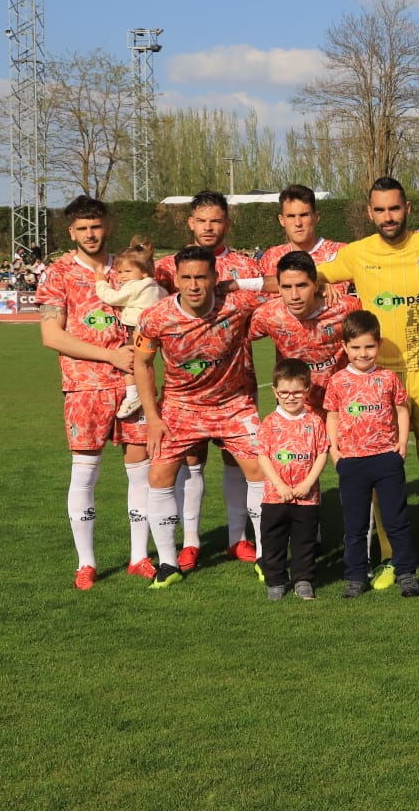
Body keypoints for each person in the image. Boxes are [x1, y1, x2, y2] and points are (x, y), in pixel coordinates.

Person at [317, 177, 419, 585]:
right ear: (369, 213)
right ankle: (389, 552)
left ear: (408, 208)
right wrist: (325, 285)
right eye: (379, 210)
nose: (387, 217)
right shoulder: (356, 254)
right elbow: (309, 276)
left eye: (394, 209)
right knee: (378, 465)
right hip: (374, 376)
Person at [37, 196, 156, 589]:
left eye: (97, 226)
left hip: (134, 387)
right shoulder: (59, 274)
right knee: (85, 475)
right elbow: (51, 335)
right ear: (72, 232)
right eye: (82, 228)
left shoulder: (128, 269)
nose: (91, 234)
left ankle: (139, 557)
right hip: (84, 388)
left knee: (140, 473)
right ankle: (86, 563)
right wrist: (109, 355)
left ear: (108, 227)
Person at [134, 246, 269, 588]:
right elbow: (142, 364)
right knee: (160, 474)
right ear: (176, 278)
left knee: (259, 469)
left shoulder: (237, 305)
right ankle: (167, 563)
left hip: (232, 403)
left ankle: (268, 556)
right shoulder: (156, 317)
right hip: (181, 406)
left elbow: (284, 286)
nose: (194, 285)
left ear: (214, 278)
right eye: (187, 278)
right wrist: (152, 417)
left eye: (202, 277)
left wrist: (241, 285)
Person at [153, 190, 266, 568]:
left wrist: (238, 288)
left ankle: (238, 538)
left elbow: (272, 297)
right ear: (190, 223)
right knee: (189, 460)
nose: (208, 227)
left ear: (226, 224)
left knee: (239, 461)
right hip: (185, 389)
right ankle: (189, 541)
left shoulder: (244, 266)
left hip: (236, 381)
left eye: (215, 220)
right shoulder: (168, 267)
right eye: (201, 221)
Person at [324, 310, 419, 598]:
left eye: (368, 346)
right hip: (351, 461)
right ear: (344, 347)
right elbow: (332, 415)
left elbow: (402, 409)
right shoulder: (338, 381)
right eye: (355, 347)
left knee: (396, 520)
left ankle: (406, 573)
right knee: (355, 525)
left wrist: (402, 444)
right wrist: (334, 449)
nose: (362, 353)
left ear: (378, 345)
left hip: (385, 459)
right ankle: (356, 576)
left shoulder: (389, 378)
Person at [249, 251, 358, 414]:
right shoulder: (267, 315)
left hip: (343, 406)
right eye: (286, 287)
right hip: (297, 410)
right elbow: (238, 338)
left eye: (302, 286)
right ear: (278, 287)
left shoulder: (345, 308)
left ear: (316, 284)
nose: (294, 296)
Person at [255, 359, 328, 601]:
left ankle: (303, 579)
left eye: (297, 392)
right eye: (284, 392)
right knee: (273, 541)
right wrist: (280, 485)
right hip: (275, 497)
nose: (290, 397)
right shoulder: (269, 423)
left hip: (307, 499)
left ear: (306, 391)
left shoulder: (315, 421)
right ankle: (275, 580)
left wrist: (308, 484)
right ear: (275, 392)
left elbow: (322, 454)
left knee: (304, 542)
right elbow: (263, 456)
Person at [93, 236, 166, 421]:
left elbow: (112, 298)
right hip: (153, 328)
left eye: (127, 271)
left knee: (129, 362)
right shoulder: (156, 287)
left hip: (136, 328)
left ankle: (134, 396)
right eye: (119, 272)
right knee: (145, 362)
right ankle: (146, 387)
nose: (122, 276)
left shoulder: (135, 286)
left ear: (143, 272)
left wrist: (101, 281)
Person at [258, 184, 346, 276]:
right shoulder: (272, 257)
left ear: (316, 217)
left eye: (304, 215)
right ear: (281, 220)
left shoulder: (339, 253)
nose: (298, 223)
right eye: (291, 216)